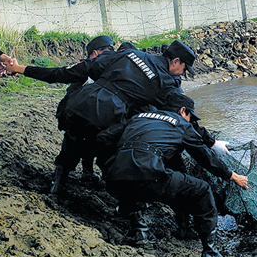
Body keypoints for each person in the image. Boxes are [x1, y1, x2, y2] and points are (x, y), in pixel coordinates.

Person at [101, 91, 248, 257]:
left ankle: (142, 229)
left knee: (166, 178)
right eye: (190, 117)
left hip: (114, 178)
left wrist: (110, 165)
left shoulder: (138, 118)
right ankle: (210, 253)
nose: (191, 121)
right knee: (202, 190)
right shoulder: (181, 124)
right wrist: (231, 175)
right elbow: (204, 157)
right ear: (182, 111)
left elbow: (103, 137)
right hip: (148, 176)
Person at [51, 40, 197, 195]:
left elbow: (71, 82)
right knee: (100, 148)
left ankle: (62, 180)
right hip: (98, 116)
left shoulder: (110, 66)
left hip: (80, 110)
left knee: (76, 141)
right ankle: (125, 203)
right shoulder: (151, 80)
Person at [2, 34, 116, 188]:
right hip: (113, 116)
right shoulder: (123, 64)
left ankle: (60, 180)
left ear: (94, 53)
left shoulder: (89, 65)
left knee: (76, 134)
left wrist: (19, 68)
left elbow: (57, 75)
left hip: (82, 116)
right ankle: (95, 176)